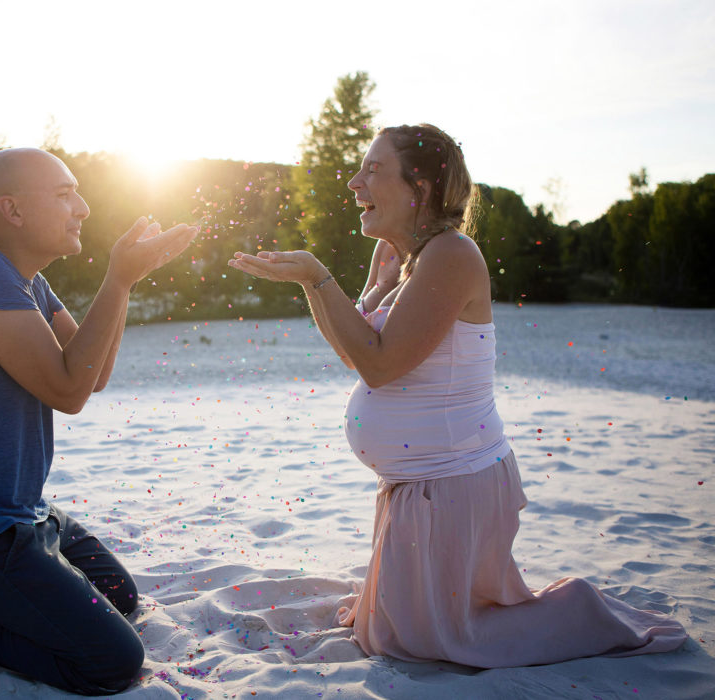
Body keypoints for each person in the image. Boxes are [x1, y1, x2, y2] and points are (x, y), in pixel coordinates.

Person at [228, 124, 687, 667]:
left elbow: (378, 365)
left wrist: (320, 276)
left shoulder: (452, 254)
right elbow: (357, 355)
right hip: (419, 488)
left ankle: (580, 607)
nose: (354, 183)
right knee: (387, 634)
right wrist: (318, 286)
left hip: (452, 487)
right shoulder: (410, 261)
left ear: (420, 188)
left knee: (418, 642)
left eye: (373, 170)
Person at [0, 147, 197, 693]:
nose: (84, 207)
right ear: (13, 209)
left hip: (21, 514)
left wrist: (125, 281)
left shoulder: (28, 280)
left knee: (119, 598)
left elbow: (91, 374)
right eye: (64, 193)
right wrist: (117, 281)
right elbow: (69, 390)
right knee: (110, 663)